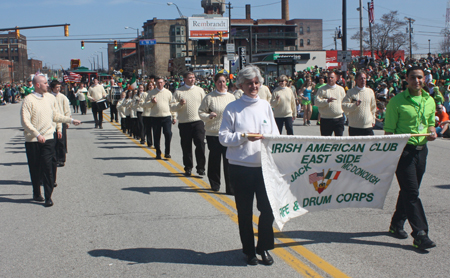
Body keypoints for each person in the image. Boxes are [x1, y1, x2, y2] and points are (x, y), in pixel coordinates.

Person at [219, 65, 279, 266]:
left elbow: (276, 136)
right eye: (249, 83)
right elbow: (223, 138)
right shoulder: (232, 108)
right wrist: (244, 137)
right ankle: (249, 251)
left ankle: (263, 248)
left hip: (264, 168)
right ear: (241, 85)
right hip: (240, 167)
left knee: (268, 210)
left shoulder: (265, 106)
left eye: (256, 83)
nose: (253, 86)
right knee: (244, 212)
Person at [384, 66, 437, 250]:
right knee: (412, 192)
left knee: (408, 191)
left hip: (422, 150)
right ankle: (420, 234)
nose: (417, 81)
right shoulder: (397, 102)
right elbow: (389, 131)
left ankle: (396, 224)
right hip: (403, 151)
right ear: (406, 79)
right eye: (413, 77)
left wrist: (432, 132)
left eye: (420, 77)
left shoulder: (429, 100)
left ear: (425, 79)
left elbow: (430, 124)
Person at [21, 75, 81, 207]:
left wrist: (70, 120)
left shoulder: (50, 98)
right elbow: (25, 121)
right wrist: (36, 134)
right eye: (44, 83)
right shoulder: (28, 100)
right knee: (35, 168)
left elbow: (55, 115)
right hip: (33, 140)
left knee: (48, 167)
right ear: (37, 85)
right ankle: (37, 193)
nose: (47, 85)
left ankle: (48, 196)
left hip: (48, 138)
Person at [199, 73, 235, 193]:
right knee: (214, 160)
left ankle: (230, 187)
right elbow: (201, 112)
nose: (222, 84)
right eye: (219, 82)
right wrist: (209, 116)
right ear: (215, 83)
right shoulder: (209, 97)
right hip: (213, 133)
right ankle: (215, 184)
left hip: (228, 134)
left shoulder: (231, 97)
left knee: (228, 161)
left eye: (224, 81)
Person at [171, 72, 206, 176]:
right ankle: (188, 167)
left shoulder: (200, 90)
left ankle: (201, 167)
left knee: (200, 143)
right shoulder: (178, 92)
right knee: (186, 147)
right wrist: (179, 104)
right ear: (185, 79)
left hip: (198, 121)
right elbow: (172, 107)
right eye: (190, 78)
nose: (192, 79)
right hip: (184, 122)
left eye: (193, 78)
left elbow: (205, 104)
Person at [144, 77, 176, 159]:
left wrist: (174, 116)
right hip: (155, 117)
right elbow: (146, 105)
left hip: (166, 117)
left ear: (164, 83)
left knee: (168, 134)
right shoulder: (152, 93)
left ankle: (167, 152)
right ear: (156, 83)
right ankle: (158, 152)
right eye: (158, 82)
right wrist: (151, 102)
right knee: (156, 135)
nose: (160, 84)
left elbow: (172, 106)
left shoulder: (168, 93)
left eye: (161, 82)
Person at [342, 72, 377, 136]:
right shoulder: (351, 92)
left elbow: (373, 107)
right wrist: (354, 105)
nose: (363, 80)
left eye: (364, 78)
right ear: (356, 80)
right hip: (355, 126)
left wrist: (373, 120)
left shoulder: (370, 91)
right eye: (361, 79)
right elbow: (344, 106)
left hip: (367, 126)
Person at [315, 72, 346, 136]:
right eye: (328, 77)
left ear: (336, 79)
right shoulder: (322, 89)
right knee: (326, 141)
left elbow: (345, 102)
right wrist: (326, 101)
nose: (330, 79)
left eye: (332, 77)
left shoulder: (341, 89)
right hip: (326, 119)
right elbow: (317, 102)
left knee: (339, 140)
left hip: (338, 118)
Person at [49, 80, 71, 169]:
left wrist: (68, 120)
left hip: (62, 121)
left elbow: (67, 109)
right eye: (56, 87)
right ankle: (54, 157)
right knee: (53, 141)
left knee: (61, 141)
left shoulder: (63, 97)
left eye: (59, 87)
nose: (58, 89)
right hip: (52, 122)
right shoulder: (49, 97)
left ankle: (61, 159)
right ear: (52, 88)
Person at [142, 81, 154, 147]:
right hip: (147, 114)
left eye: (152, 85)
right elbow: (142, 103)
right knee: (148, 129)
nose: (151, 86)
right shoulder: (145, 94)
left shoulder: (156, 93)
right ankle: (149, 143)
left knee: (155, 130)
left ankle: (156, 143)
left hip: (154, 113)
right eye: (149, 85)